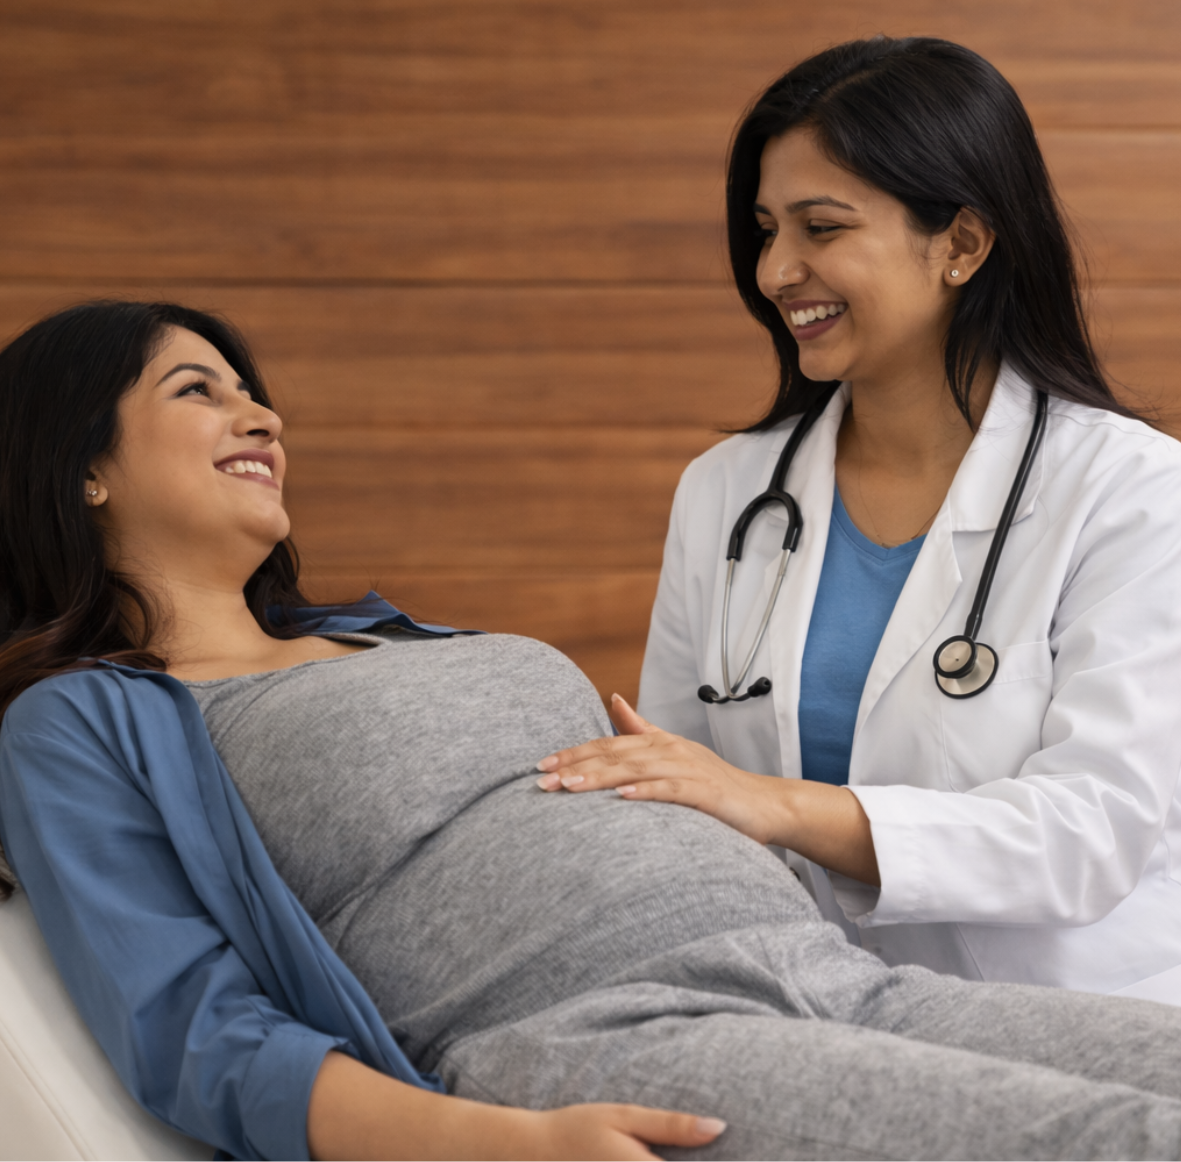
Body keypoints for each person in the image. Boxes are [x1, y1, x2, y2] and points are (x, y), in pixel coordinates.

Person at [4, 302, 1181, 1162]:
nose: (258, 411)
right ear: (83, 466)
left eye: (250, 388)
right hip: (610, 1030)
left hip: (831, 972)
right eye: (195, 390)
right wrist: (488, 1143)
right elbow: (187, 1027)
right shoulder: (83, 721)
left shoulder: (386, 635)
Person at [541, 35, 1181, 1004]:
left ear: (961, 244)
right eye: (764, 230)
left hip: (1074, 1033)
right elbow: (678, 803)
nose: (773, 270)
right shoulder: (724, 494)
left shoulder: (1130, 489)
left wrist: (782, 807)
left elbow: (1086, 831)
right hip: (805, 1020)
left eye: (820, 228)